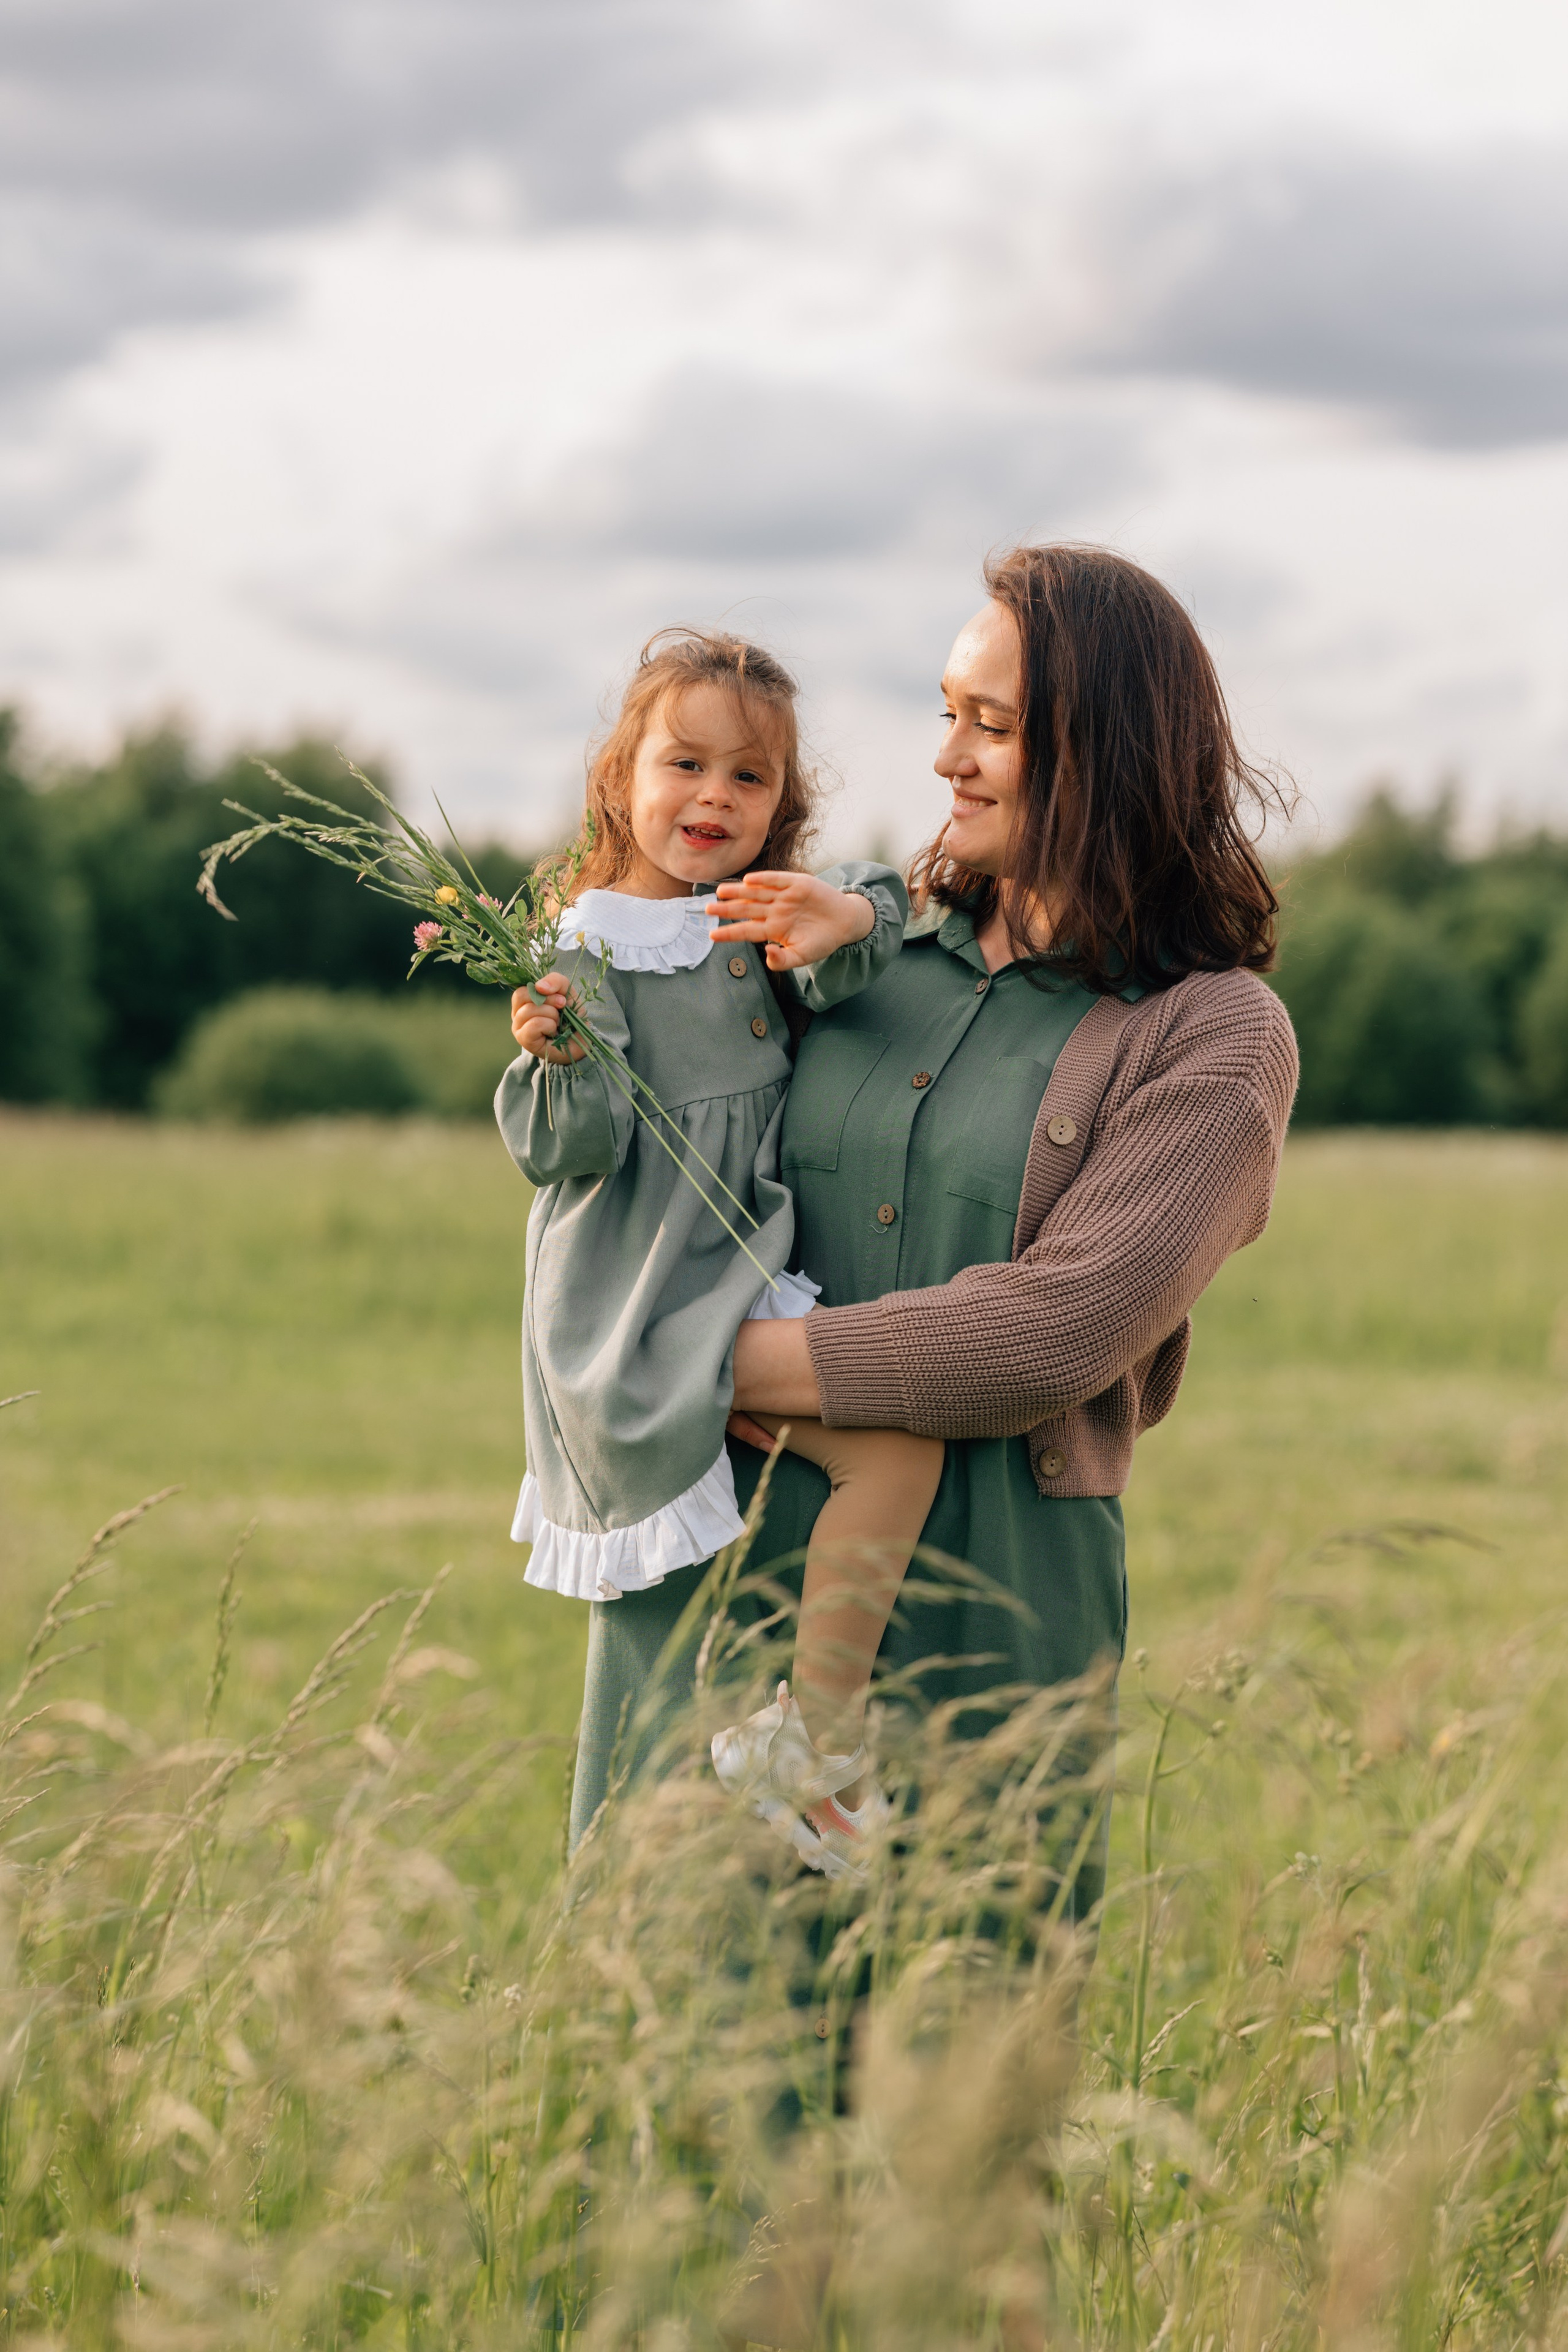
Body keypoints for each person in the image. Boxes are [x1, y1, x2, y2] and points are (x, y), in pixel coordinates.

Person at [567, 546, 1300, 1912]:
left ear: (1109, 757)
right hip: (721, 1568)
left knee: (952, 2073)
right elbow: (635, 1155)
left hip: (991, 1613)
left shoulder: (1207, 1033)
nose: (948, 759)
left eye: (995, 727)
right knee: (685, 2062)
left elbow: (1054, 1328)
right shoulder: (838, 951)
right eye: (947, 713)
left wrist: (670, 1368)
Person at [497, 628, 944, 1877]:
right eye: (682, 763)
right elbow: (565, 1152)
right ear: (618, 782)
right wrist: (557, 1050)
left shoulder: (750, 924)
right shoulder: (584, 950)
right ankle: (782, 1770)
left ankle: (804, 1743)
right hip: (643, 1301)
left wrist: (844, 907)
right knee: (873, 1462)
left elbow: (877, 931)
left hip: (738, 1284)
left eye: (747, 780)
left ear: (777, 807)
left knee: (868, 1468)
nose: (711, 797)